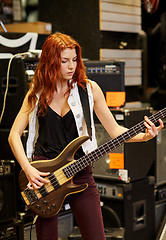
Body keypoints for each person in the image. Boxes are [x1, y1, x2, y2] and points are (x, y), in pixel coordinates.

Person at [8, 32, 163, 240]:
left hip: (80, 171)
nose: (71, 66)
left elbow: (115, 130)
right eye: (64, 61)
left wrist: (144, 137)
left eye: (74, 60)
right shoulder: (36, 93)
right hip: (44, 175)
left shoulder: (89, 89)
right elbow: (13, 135)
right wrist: (28, 169)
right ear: (51, 61)